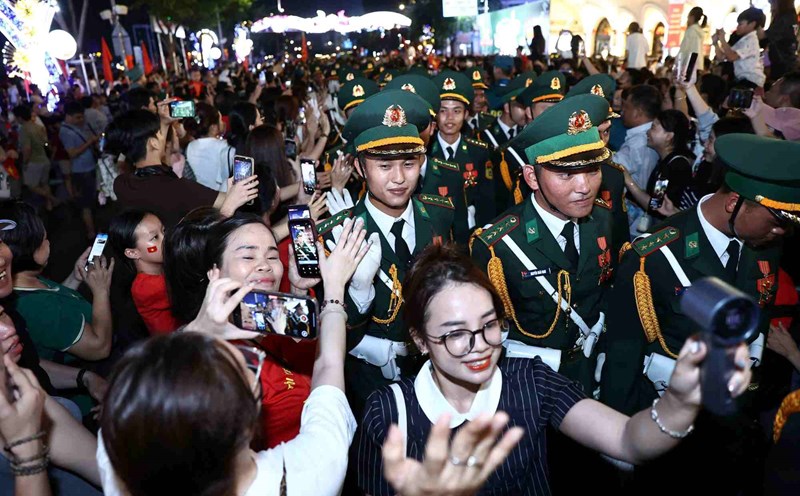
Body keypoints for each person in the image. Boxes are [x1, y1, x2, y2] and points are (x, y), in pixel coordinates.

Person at [355, 243, 752, 495]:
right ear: (421, 340)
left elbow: (630, 441)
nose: (479, 347)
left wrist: (680, 400)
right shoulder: (387, 413)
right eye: (456, 334)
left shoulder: (531, 381)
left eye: (490, 325)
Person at [97, 216, 370, 495]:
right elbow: (328, 368)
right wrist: (335, 288)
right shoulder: (306, 474)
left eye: (272, 255)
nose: (264, 265)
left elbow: (114, 431)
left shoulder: (130, 472)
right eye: (248, 256)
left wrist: (200, 330)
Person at [601, 134, 800, 494]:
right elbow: (623, 355)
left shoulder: (766, 245)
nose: (781, 230)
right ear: (735, 203)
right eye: (776, 219)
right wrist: (621, 443)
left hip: (734, 420)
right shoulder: (656, 256)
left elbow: (756, 328)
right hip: (670, 423)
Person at [318, 90, 456, 415]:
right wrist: (359, 292)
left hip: (438, 377)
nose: (398, 178)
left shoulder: (439, 214)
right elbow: (328, 337)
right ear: (360, 168)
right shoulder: (336, 235)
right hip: (369, 389)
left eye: (409, 164)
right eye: (384, 165)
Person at [110, 107, 257, 228]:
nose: (163, 137)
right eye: (159, 133)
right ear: (153, 143)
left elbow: (156, 162)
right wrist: (236, 195)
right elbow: (223, 205)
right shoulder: (178, 189)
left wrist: (165, 123)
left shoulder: (122, 184)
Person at [429, 70, 494, 231]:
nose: (449, 117)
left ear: (466, 114)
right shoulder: (425, 152)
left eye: (456, 111)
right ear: (435, 115)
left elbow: (487, 200)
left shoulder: (479, 152)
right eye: (443, 111)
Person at [108, 210, 180, 336]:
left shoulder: (164, 264)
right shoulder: (145, 287)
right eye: (155, 237)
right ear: (133, 253)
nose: (166, 239)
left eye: (163, 231)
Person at [624, 109, 696, 223]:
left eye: (653, 128)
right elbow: (656, 197)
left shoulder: (677, 165)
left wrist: (628, 181)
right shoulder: (667, 162)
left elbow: (656, 205)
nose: (647, 132)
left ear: (669, 136)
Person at [616, 84, 661, 237]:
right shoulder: (643, 139)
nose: (622, 111)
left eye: (626, 107)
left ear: (637, 112)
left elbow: (615, 167)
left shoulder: (639, 142)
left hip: (637, 225)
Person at [60, 101, 99, 239]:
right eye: (78, 117)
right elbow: (72, 153)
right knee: (85, 203)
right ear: (68, 116)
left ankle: (92, 228)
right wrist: (90, 142)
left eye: (82, 117)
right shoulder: (66, 131)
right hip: (80, 171)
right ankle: (91, 232)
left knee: (90, 200)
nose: (81, 120)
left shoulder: (75, 127)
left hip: (88, 167)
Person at [185, 102, 236, 192]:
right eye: (220, 120)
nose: (223, 122)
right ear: (213, 127)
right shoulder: (225, 146)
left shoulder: (190, 146)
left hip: (198, 198)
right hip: (220, 198)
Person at [712, 7, 767, 88]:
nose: (737, 27)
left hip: (751, 81)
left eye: (740, 24)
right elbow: (722, 57)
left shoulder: (751, 41)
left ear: (752, 24)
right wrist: (715, 43)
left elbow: (731, 57)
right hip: (743, 79)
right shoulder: (743, 40)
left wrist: (722, 40)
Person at [14, 104, 55, 209]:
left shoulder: (24, 129)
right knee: (45, 183)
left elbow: (27, 149)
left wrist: (25, 162)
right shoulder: (37, 126)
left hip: (34, 161)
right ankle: (49, 205)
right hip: (44, 159)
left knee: (31, 185)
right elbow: (45, 142)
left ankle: (52, 198)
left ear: (19, 117)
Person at [765, 0, 798, 80]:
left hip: (782, 62)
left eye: (772, 2)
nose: (771, 6)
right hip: (787, 61)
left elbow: (768, 36)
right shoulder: (791, 16)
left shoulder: (784, 18)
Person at [679, 7, 707, 72]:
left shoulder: (691, 30)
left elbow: (684, 49)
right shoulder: (699, 31)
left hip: (688, 65)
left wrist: (677, 63)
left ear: (692, 17)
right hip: (698, 64)